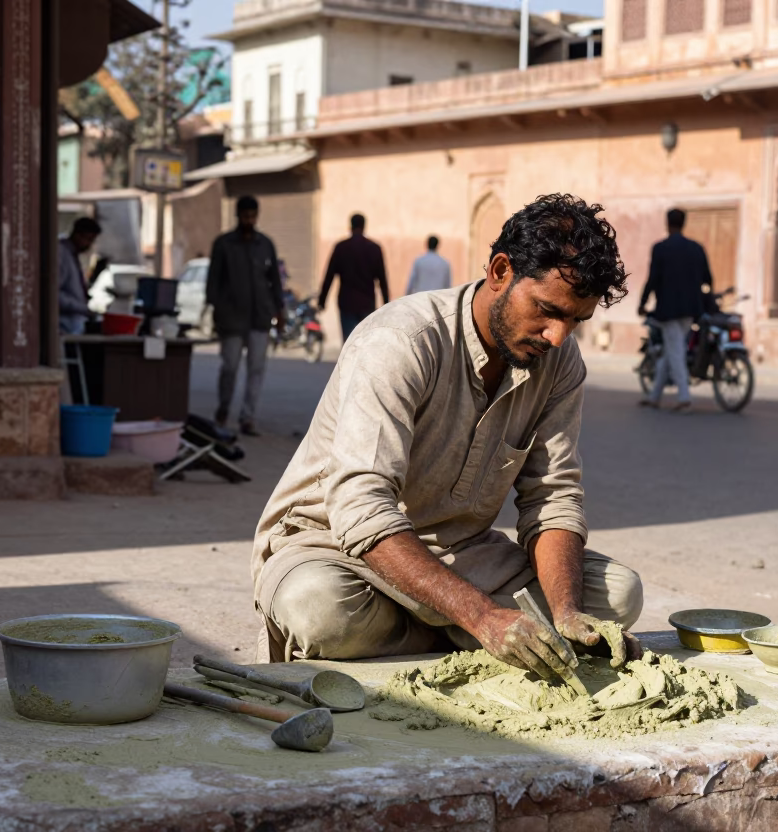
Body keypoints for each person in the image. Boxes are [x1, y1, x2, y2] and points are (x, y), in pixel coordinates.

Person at [252, 194, 644, 675]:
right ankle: (454, 627)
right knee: (318, 610)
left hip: (462, 554)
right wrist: (481, 616)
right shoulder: (400, 342)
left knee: (617, 594)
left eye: (574, 321)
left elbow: (553, 496)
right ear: (500, 271)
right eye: (546, 310)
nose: (557, 336)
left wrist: (563, 613)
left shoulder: (559, 362)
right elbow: (361, 507)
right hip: (333, 549)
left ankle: (429, 627)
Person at [206, 195, 286, 436]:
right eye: (245, 216)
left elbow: (274, 282)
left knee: (256, 369)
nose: (249, 220)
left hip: (259, 317)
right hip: (231, 319)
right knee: (230, 367)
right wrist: (217, 309)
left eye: (253, 216)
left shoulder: (266, 245)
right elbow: (213, 283)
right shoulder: (223, 244)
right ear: (237, 215)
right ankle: (223, 410)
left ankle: (247, 417)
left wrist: (279, 310)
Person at [637, 208, 713, 411]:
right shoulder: (696, 248)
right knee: (672, 350)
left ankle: (684, 397)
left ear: (667, 223)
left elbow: (652, 279)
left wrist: (643, 303)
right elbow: (708, 279)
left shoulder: (661, 248)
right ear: (684, 223)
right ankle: (654, 397)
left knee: (675, 351)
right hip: (690, 310)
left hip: (669, 310)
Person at [320, 213, 390, 341]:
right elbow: (382, 279)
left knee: (348, 342)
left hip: (347, 302)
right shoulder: (374, 248)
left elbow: (329, 276)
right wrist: (386, 303)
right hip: (367, 302)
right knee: (366, 341)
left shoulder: (341, 247)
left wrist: (322, 300)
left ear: (350, 226)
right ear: (364, 226)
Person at [58, 217, 101, 335]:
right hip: (65, 324)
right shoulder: (61, 254)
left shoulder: (71, 255)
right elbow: (54, 294)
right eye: (88, 239)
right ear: (77, 235)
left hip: (73, 325)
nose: (89, 245)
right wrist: (81, 308)